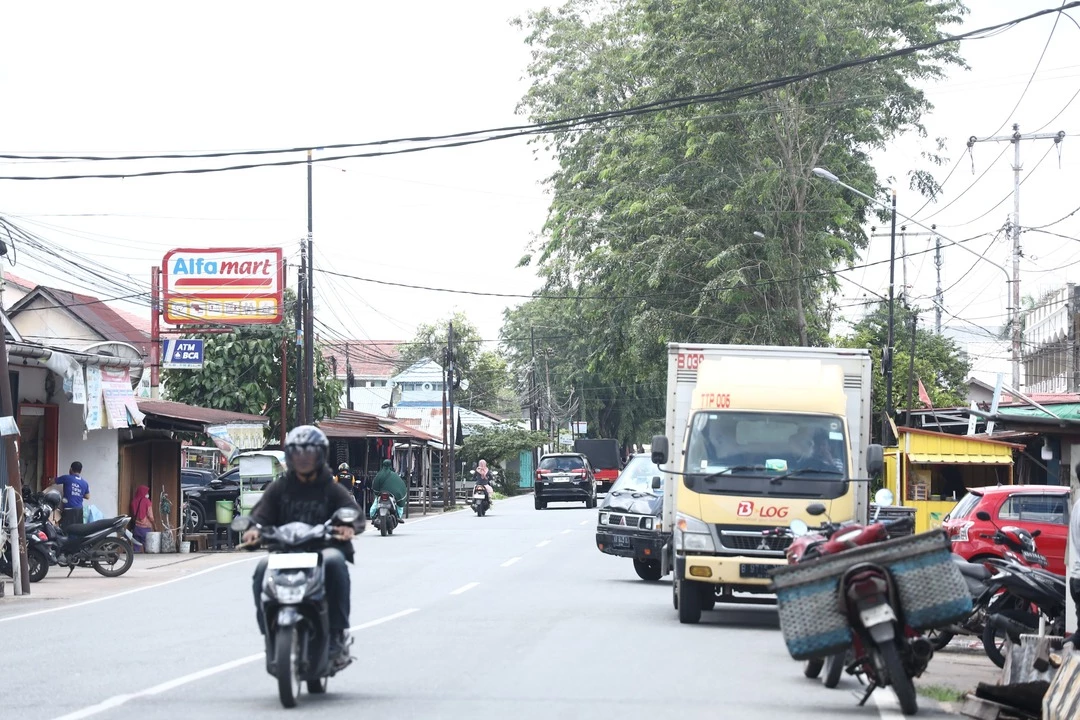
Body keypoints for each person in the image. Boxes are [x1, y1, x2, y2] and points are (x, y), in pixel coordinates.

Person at [243, 425, 364, 668]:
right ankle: (269, 629)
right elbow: (260, 515)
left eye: (309, 454)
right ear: (290, 456)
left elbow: (355, 515)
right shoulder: (280, 487)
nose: (303, 459)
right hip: (285, 552)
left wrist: (347, 527)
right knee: (260, 569)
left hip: (321, 550)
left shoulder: (330, 486)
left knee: (336, 562)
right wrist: (254, 530)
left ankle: (337, 635)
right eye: (298, 454)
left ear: (320, 456)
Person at [55, 462, 89, 529]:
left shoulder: (66, 478)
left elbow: (52, 481)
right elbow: (87, 496)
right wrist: (78, 492)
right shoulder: (85, 483)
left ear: (70, 469)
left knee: (66, 531)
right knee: (77, 531)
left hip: (69, 510)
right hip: (79, 510)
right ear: (81, 471)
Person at [130, 485, 156, 551]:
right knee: (147, 547)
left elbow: (133, 514)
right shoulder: (147, 501)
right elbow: (150, 516)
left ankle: (136, 559)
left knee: (136, 546)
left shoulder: (133, 501)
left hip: (136, 527)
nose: (147, 494)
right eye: (146, 492)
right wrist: (154, 525)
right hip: (146, 528)